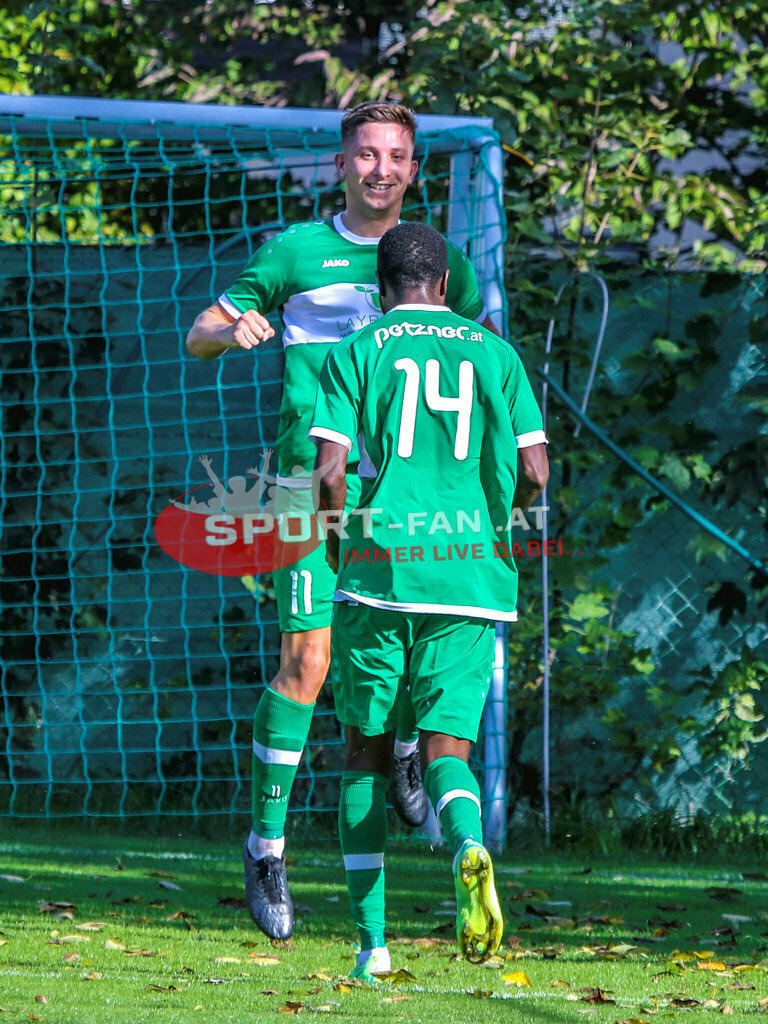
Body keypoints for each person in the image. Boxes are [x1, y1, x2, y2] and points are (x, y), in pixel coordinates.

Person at [185, 102, 499, 941]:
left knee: (406, 654)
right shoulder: (295, 252)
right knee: (307, 663)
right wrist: (233, 328)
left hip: (410, 506)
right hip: (308, 489)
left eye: (396, 156)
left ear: (414, 169)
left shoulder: (440, 264)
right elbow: (199, 331)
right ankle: (266, 847)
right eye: (367, 155)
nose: (381, 169)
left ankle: (403, 751)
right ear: (341, 165)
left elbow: (482, 356)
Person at [309, 221, 549, 979]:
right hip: (473, 577)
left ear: (383, 289)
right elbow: (539, 472)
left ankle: (373, 949)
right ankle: (469, 844)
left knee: (365, 755)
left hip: (380, 575)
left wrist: (342, 538)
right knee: (448, 749)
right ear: (443, 284)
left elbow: (327, 473)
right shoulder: (498, 354)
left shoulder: (357, 350)